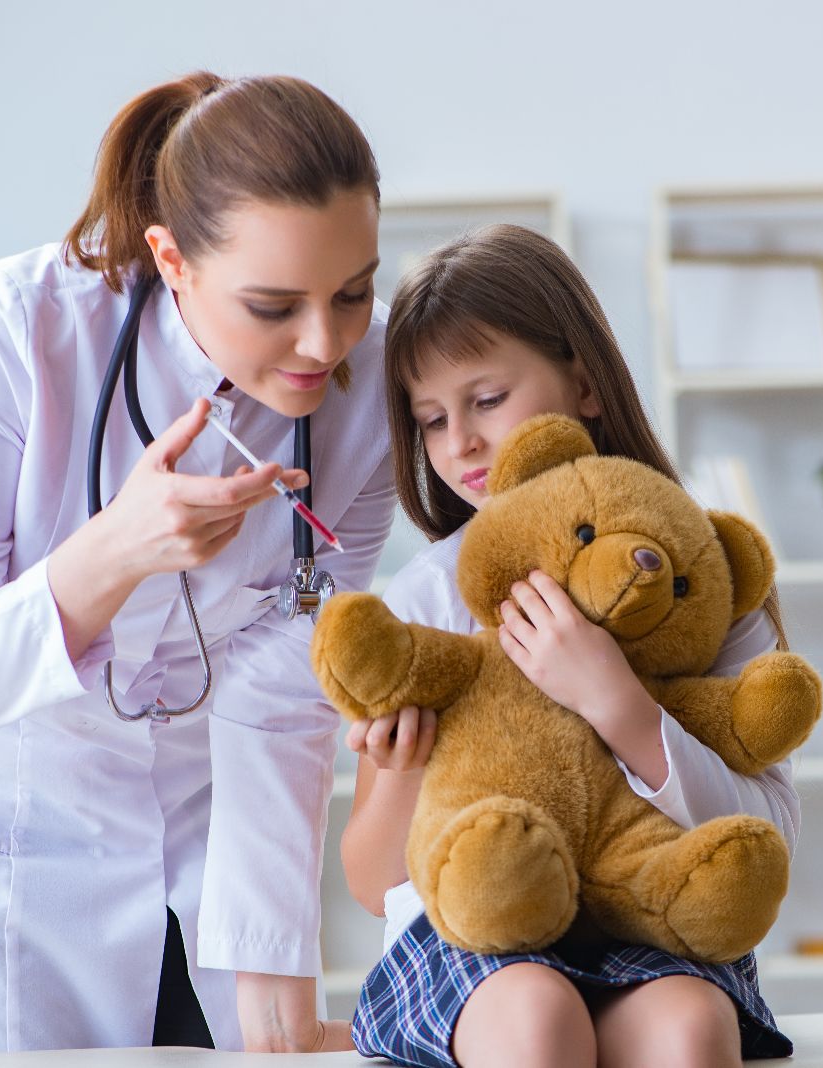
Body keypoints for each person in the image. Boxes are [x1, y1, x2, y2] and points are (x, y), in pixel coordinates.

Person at [0, 72, 390, 1054]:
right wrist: (112, 554)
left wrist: (275, 989)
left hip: (208, 830)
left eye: (353, 291)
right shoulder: (16, 331)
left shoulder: (369, 394)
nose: (325, 342)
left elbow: (283, 708)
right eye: (274, 304)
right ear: (171, 258)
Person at [340, 224, 799, 1068]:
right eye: (432, 420)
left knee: (691, 1028)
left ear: (584, 385)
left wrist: (619, 705)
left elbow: (767, 834)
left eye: (486, 400)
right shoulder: (431, 597)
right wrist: (406, 765)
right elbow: (373, 887)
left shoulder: (700, 580)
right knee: (535, 1015)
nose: (461, 445)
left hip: (650, 917)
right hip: (475, 935)